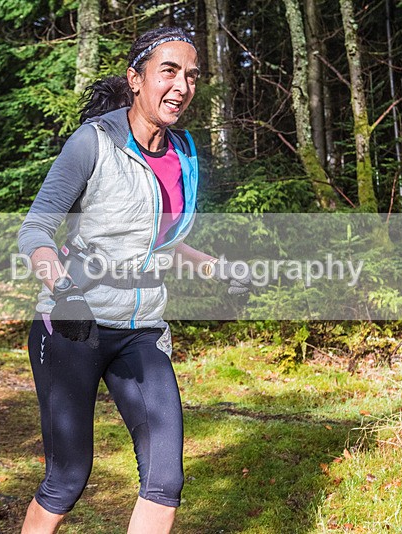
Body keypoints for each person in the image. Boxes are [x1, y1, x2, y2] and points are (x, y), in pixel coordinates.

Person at [17, 27, 251, 533]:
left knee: (165, 478)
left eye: (191, 75)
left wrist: (216, 266)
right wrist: (59, 285)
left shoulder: (184, 153)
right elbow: (36, 228)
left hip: (142, 327)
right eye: (168, 71)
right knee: (68, 477)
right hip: (75, 324)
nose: (182, 86)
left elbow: (157, 242)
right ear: (136, 78)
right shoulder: (94, 143)